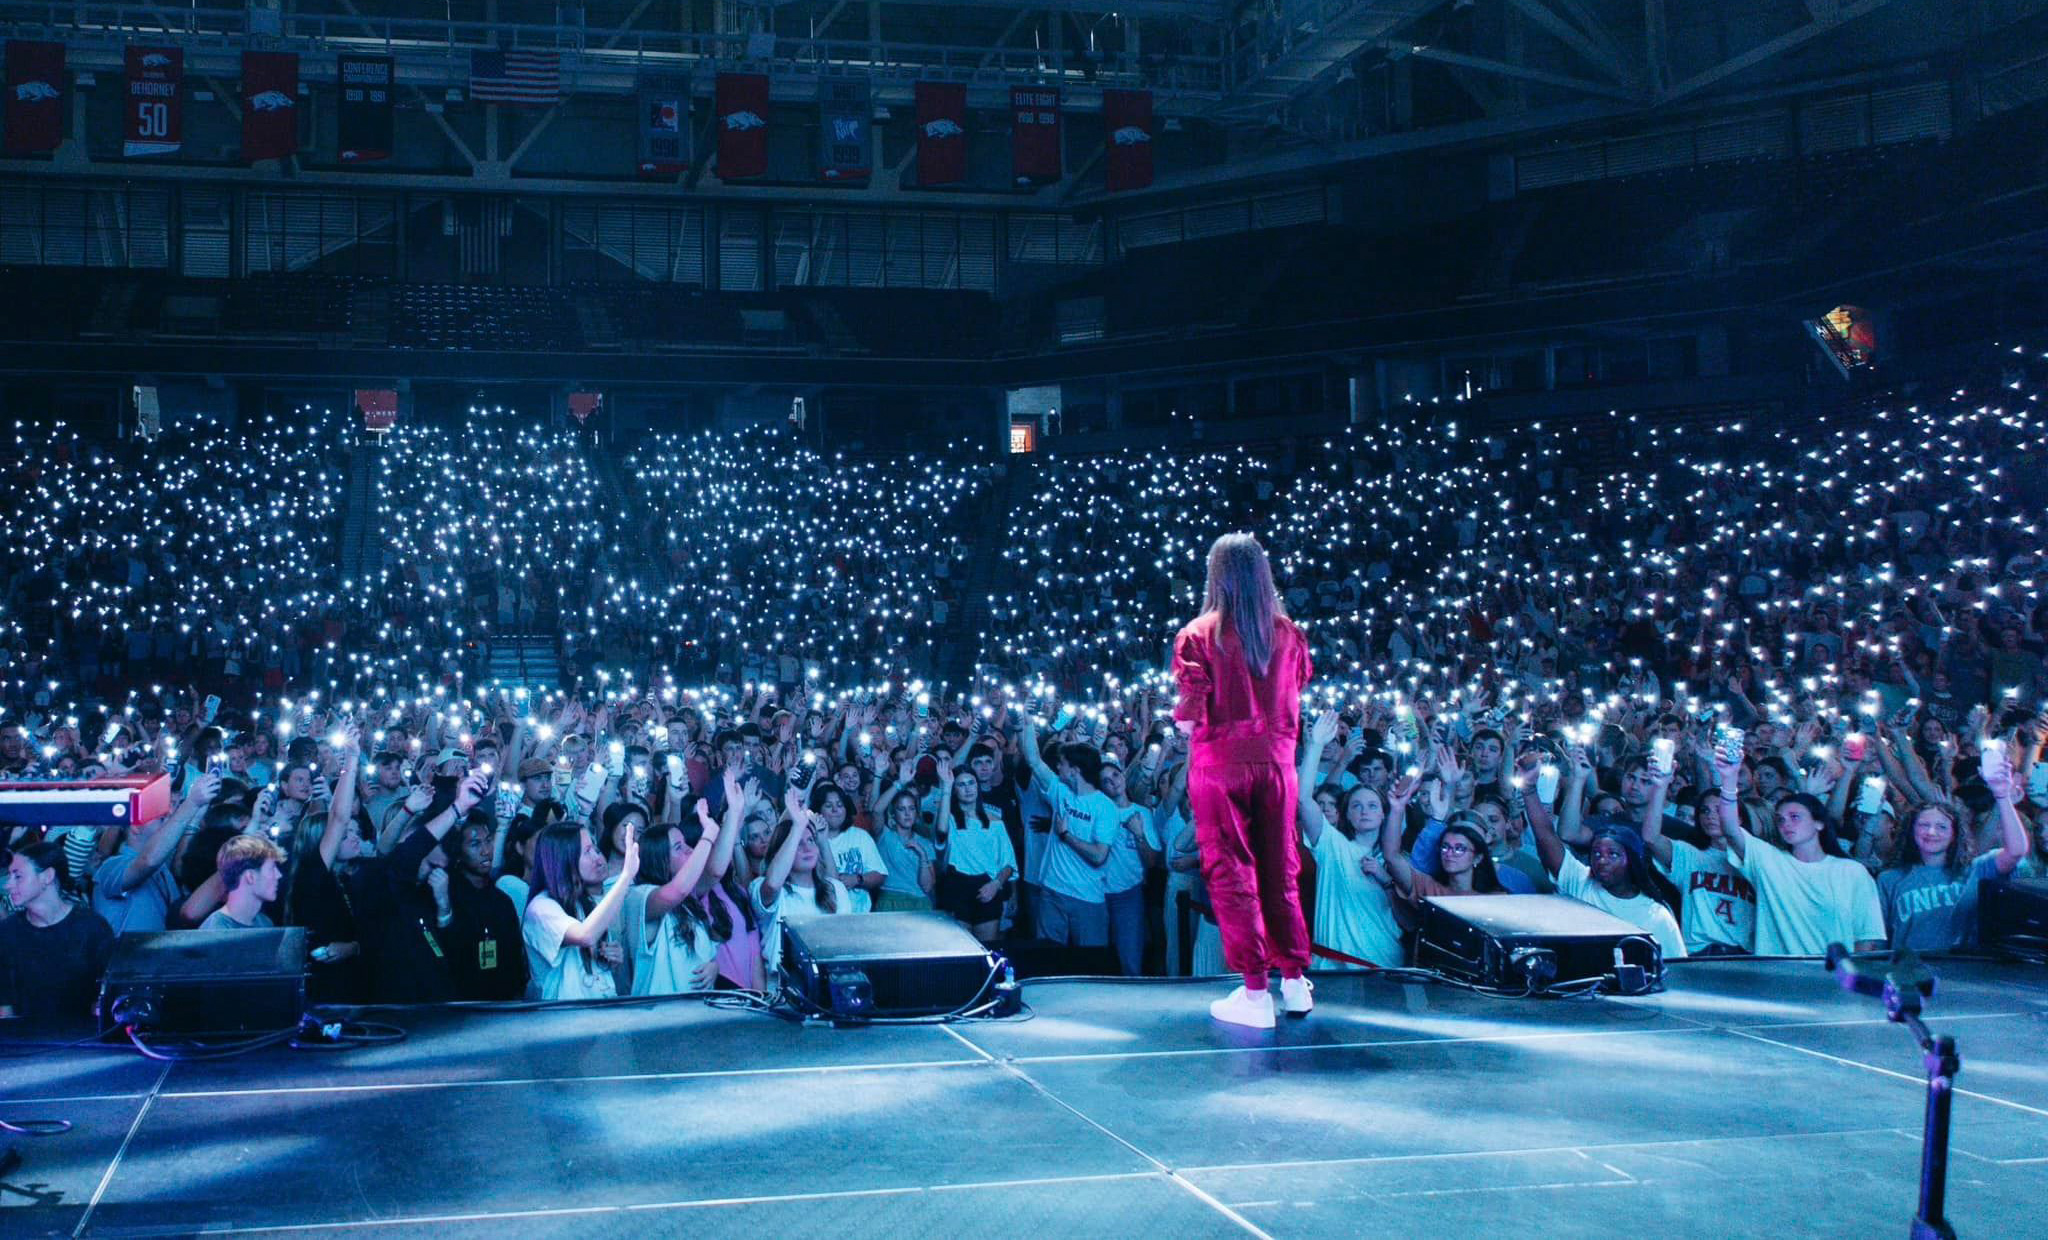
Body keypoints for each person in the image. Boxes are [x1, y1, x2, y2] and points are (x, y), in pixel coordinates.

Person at [1172, 532, 1315, 1028]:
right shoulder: (1288, 633)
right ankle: (1294, 982)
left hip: (1220, 767)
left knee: (1232, 873)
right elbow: (1297, 686)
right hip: (1278, 767)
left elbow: (1189, 719)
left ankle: (1255, 994)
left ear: (1216, 575)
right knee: (1282, 868)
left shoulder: (1198, 634)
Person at [1709, 755, 1886, 956]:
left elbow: (1867, 938)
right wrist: (1729, 778)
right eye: (1781, 820)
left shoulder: (1852, 871)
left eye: (1795, 817)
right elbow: (1731, 828)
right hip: (1778, 980)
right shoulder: (1769, 860)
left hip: (1831, 982)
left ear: (1819, 823)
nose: (1786, 824)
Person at [1876, 754, 2030, 950]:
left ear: (1955, 834)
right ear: (1911, 830)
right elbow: (1879, 940)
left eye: (1941, 827)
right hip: (1912, 974)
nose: (1931, 832)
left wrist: (2002, 797)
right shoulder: (1889, 879)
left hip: (1963, 972)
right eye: (1923, 825)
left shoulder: (1976, 870)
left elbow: (2016, 851)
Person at [1295, 710, 1407, 969]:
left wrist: (1386, 881)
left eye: (1371, 806)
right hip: (1336, 967)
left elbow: (1410, 921)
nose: (1364, 811)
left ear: (1383, 814)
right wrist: (1316, 746)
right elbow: (1303, 800)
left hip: (1384, 962)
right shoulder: (1333, 846)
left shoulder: (1396, 860)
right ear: (1346, 815)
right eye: (1356, 806)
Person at [1015, 715, 1116, 950]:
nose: (1057, 766)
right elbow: (1033, 760)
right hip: (1052, 892)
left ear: (1075, 770)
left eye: (1062, 763)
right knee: (1049, 960)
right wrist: (1029, 725)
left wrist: (1066, 836)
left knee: (1088, 967)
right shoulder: (1061, 791)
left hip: (1087, 898)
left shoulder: (1104, 807)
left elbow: (1099, 855)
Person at [0, 840, 116, 1023]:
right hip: (23, 1046)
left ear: (47, 876)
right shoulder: (7, 933)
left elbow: (106, 999)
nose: (8, 885)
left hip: (83, 1044)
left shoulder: (92, 928)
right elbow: (4, 1008)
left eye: (18, 876)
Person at [523, 821, 635, 1001]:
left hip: (597, 1015)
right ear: (565, 859)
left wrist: (611, 957)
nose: (598, 858)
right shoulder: (540, 908)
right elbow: (585, 935)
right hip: (563, 1021)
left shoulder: (586, 903)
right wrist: (626, 875)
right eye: (587, 852)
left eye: (595, 849)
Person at [933, 752, 1017, 939]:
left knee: (987, 952)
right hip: (957, 887)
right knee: (960, 954)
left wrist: (996, 885)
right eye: (961, 785)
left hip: (987, 887)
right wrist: (946, 788)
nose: (968, 788)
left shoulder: (995, 822)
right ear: (955, 790)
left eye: (971, 783)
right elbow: (941, 830)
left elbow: (1009, 865)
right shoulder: (951, 821)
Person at [200, 835, 286, 930]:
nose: (279, 875)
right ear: (250, 876)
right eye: (272, 868)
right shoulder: (216, 930)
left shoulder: (265, 923)